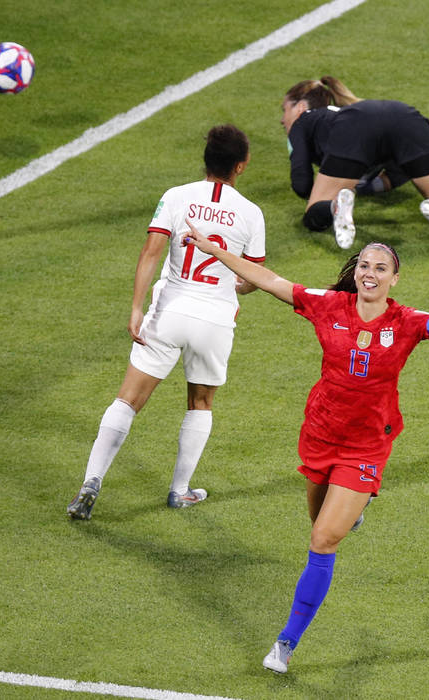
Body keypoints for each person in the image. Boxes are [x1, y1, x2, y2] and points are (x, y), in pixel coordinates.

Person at [182, 223, 429, 673]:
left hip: (364, 447)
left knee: (322, 539)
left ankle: (285, 643)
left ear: (394, 278)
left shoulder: (408, 323)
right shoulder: (328, 305)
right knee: (317, 518)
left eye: (381, 268)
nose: (370, 273)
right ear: (355, 271)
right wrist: (211, 249)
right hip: (320, 435)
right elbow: (269, 280)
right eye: (364, 265)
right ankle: (350, 509)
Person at [67, 124, 265, 519]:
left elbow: (150, 253)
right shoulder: (251, 213)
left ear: (205, 160)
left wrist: (137, 307)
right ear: (241, 166)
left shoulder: (177, 197)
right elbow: (251, 278)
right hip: (214, 322)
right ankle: (179, 491)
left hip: (169, 312)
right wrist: (234, 288)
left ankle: (91, 482)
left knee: (128, 400)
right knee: (201, 403)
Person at [280, 76, 429, 250]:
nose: (282, 120)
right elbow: (402, 168)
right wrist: (369, 186)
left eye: (285, 110)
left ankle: (335, 207)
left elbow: (301, 184)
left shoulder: (303, 121)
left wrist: (331, 192)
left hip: (356, 130)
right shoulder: (348, 113)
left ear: (300, 107)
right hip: (407, 116)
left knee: (313, 216)